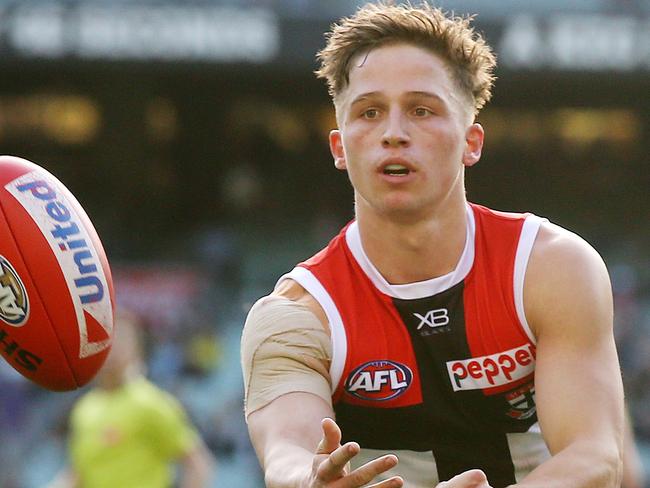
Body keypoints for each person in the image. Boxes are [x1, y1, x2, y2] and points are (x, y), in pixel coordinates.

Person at [240, 2, 625, 487]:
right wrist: (309, 481)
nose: (394, 134)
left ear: (472, 141)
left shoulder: (552, 267)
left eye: (422, 110)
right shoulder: (295, 314)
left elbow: (596, 457)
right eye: (369, 112)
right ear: (340, 148)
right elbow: (288, 458)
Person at [49, 308, 215, 488]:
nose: (113, 349)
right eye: (105, 341)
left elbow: (198, 464)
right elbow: (78, 473)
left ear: (137, 350)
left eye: (121, 340)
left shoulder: (150, 402)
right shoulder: (84, 409)